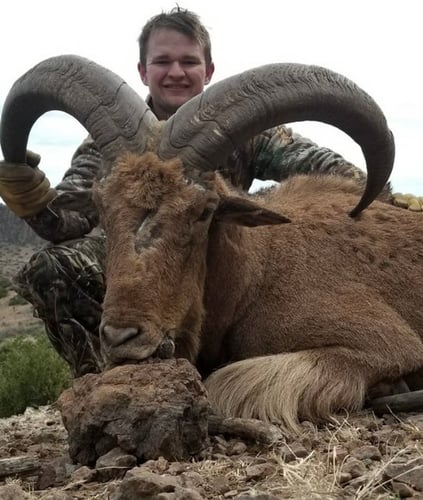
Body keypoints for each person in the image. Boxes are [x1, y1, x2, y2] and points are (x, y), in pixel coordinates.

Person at [0, 7, 416, 377]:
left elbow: (329, 170)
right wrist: (31, 201)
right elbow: (65, 223)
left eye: (188, 61)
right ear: (144, 70)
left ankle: (187, 363)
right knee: (53, 266)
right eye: (162, 61)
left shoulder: (244, 131)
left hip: (216, 253)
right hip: (133, 262)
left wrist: (388, 196)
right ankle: (105, 382)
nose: (176, 71)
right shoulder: (106, 149)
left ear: (208, 70)